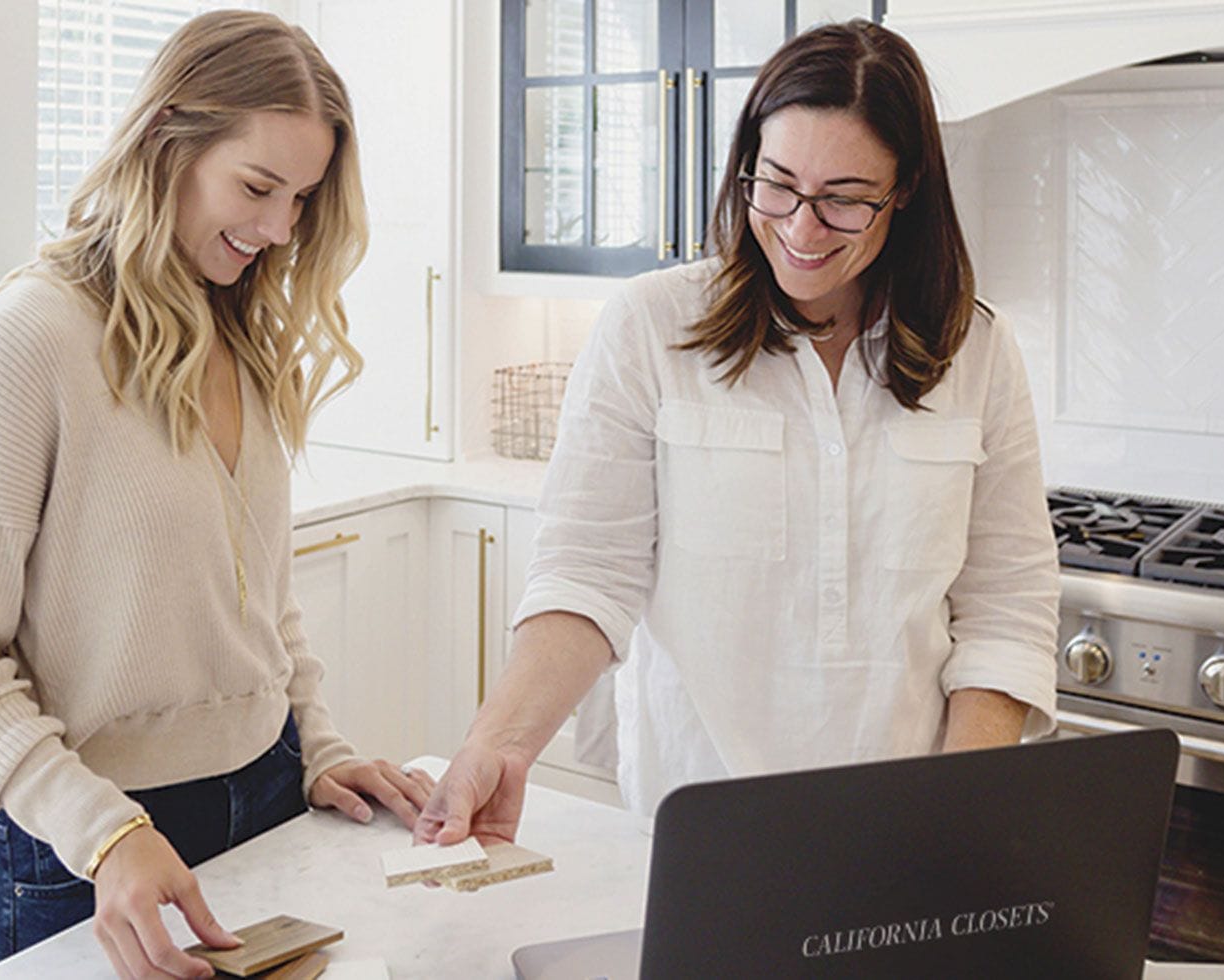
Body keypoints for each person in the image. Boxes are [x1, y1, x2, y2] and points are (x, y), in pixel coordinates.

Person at [415, 19, 1060, 848]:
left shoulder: (977, 350)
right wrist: (497, 747)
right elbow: (588, 572)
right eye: (777, 185)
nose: (800, 228)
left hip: (909, 831)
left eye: (843, 199)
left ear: (904, 191)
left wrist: (956, 805)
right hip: (697, 821)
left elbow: (1006, 607)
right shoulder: (650, 327)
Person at [0, 12, 432, 978]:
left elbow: (263, 610)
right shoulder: (33, 338)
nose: (279, 229)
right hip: (87, 851)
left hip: (269, 798)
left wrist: (319, 748)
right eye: (257, 187)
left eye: (302, 198)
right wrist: (105, 833)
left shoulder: (241, 335)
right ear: (164, 142)